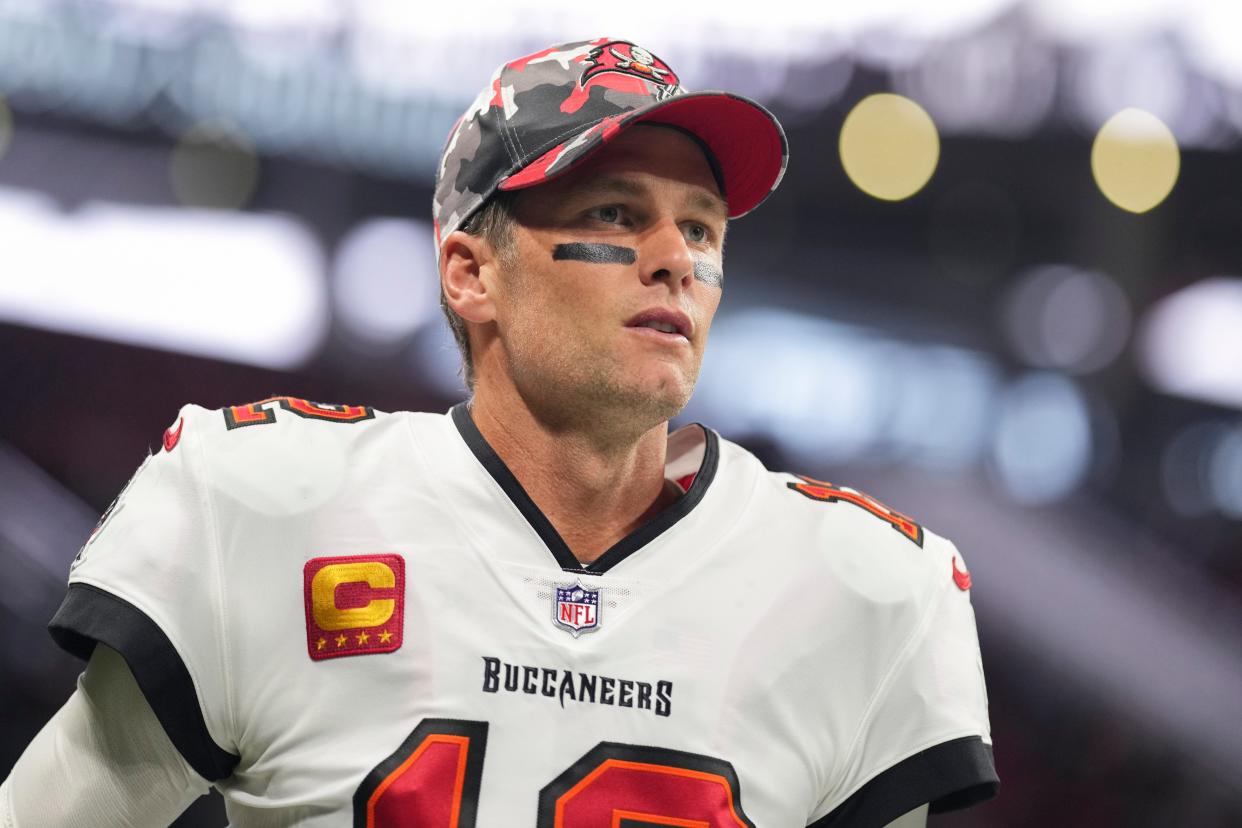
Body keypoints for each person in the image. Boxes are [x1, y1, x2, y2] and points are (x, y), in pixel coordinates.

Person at [0, 38, 998, 827]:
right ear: (472, 274)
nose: (674, 262)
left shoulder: (859, 588)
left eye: (700, 228)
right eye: (617, 211)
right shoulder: (269, 506)